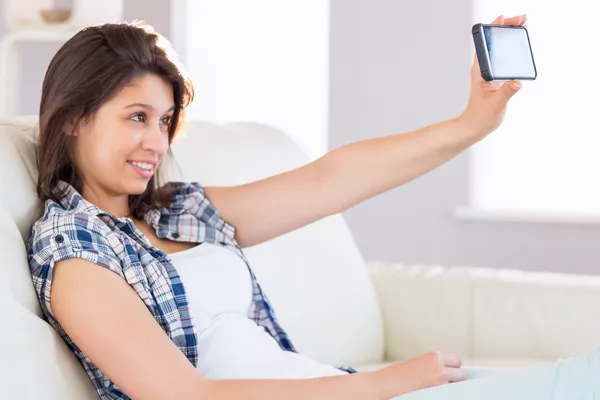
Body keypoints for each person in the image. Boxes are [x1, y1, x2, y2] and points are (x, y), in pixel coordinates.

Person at [27, 14, 598, 400]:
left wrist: (472, 124)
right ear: (75, 116)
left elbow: (330, 180)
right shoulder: (77, 255)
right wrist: (381, 384)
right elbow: (187, 396)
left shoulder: (172, 211)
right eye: (136, 117)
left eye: (164, 120)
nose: (157, 142)